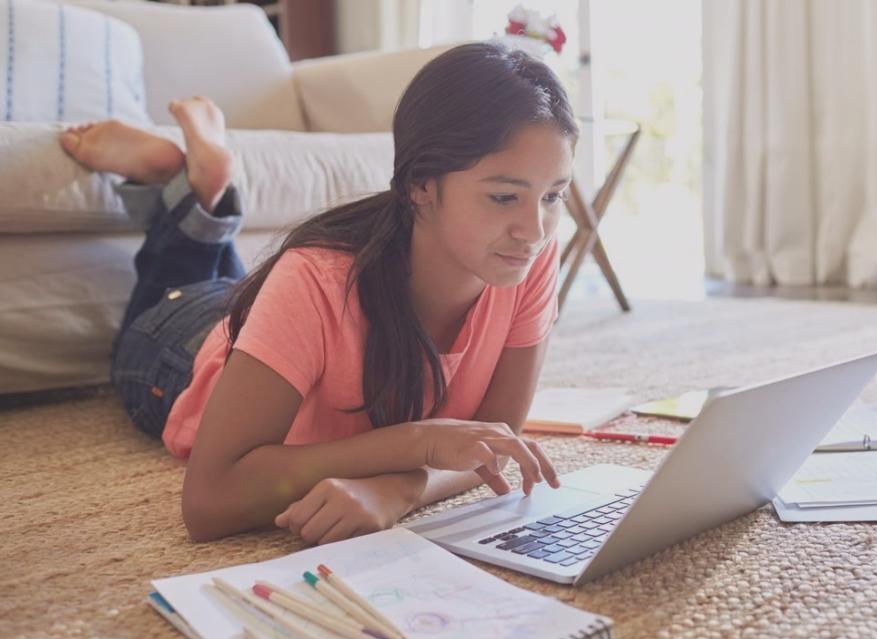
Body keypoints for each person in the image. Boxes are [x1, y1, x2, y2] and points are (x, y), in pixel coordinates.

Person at [59, 42, 577, 544]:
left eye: (553, 195)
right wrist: (418, 442)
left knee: (232, 281)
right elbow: (209, 501)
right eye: (504, 196)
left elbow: (496, 441)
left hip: (264, 314)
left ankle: (194, 185)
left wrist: (402, 486)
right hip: (178, 346)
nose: (534, 229)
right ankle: (186, 184)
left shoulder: (526, 256)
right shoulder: (314, 277)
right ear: (421, 184)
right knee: (178, 291)